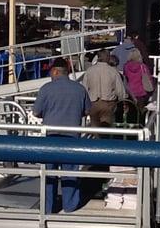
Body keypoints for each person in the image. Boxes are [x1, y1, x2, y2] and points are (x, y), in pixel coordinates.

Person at [33, 58, 91, 214]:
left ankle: (48, 207)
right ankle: (70, 205)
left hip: (50, 136)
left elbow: (36, 112)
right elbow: (87, 111)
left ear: (55, 71)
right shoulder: (80, 89)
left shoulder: (46, 88)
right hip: (72, 136)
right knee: (70, 173)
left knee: (48, 174)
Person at [82, 48, 127, 127]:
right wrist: (123, 102)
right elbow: (120, 90)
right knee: (106, 127)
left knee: (94, 126)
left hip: (93, 103)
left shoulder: (89, 71)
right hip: (108, 104)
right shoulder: (113, 71)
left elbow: (84, 89)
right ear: (107, 57)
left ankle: (96, 138)